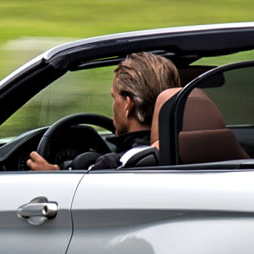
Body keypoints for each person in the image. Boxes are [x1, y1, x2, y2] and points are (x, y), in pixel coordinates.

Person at [29, 51, 183, 171]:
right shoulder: (189, 150)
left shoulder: (116, 164)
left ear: (127, 105)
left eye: (114, 97)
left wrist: (53, 172)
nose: (113, 105)